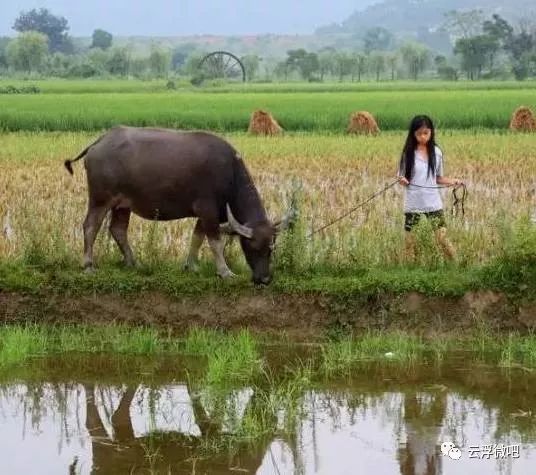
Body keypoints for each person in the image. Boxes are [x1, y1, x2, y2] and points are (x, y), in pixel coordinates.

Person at [397, 115, 463, 262]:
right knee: (409, 242)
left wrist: (453, 181)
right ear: (413, 134)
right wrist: (402, 180)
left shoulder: (437, 152)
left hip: (432, 202)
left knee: (442, 238)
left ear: (431, 132)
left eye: (426, 133)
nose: (422, 137)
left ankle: (456, 265)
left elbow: (438, 178)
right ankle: (408, 271)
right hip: (413, 203)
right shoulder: (408, 153)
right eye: (419, 133)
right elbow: (401, 177)